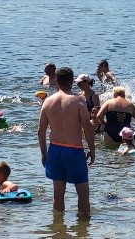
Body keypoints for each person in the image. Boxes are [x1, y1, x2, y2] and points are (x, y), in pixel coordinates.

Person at [38, 66, 96, 214]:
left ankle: (58, 229)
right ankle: (83, 230)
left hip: (55, 150)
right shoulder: (78, 100)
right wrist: (92, 149)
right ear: (72, 80)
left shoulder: (48, 101)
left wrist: (44, 154)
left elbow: (41, 131)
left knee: (58, 194)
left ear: (56, 80)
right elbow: (87, 127)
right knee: (83, 193)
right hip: (74, 151)